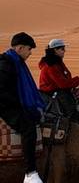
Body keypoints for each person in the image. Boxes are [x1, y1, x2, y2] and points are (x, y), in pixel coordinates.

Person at [0, 32, 46, 183]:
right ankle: (31, 173)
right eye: (28, 49)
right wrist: (22, 106)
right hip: (5, 106)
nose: (30, 52)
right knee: (28, 127)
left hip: (12, 103)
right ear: (19, 48)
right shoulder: (6, 64)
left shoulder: (15, 62)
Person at [38, 39, 79, 117]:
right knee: (72, 112)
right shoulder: (51, 65)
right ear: (55, 50)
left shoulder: (57, 62)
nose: (64, 51)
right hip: (54, 92)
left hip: (58, 90)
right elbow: (63, 84)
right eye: (62, 49)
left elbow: (66, 78)